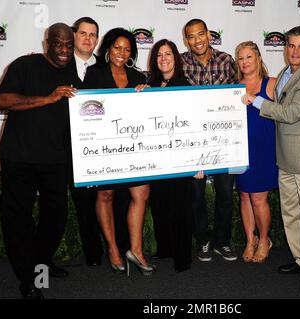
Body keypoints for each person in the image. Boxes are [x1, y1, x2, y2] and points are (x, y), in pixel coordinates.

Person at [242, 25, 300, 292]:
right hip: (286, 157)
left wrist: (255, 101)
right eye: (290, 45)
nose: (294, 51)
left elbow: (290, 113)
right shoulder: (286, 72)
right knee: (291, 213)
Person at [0, 23, 77, 299]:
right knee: (18, 218)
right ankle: (28, 278)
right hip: (19, 157)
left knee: (56, 216)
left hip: (55, 159)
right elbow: (4, 99)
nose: (65, 50)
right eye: (59, 44)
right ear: (47, 43)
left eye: (69, 44)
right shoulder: (25, 64)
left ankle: (41, 261)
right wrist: (48, 98)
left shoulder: (71, 69)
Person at [83, 27, 154, 276]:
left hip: (133, 146)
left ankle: (135, 249)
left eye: (127, 49)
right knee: (106, 196)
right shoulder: (94, 74)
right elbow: (85, 113)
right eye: (117, 47)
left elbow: (148, 113)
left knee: (141, 192)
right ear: (108, 49)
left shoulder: (138, 77)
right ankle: (113, 248)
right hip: (104, 146)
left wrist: (147, 94)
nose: (121, 53)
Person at [181, 18, 238, 262]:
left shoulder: (226, 60)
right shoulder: (181, 62)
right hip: (192, 140)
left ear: (208, 34)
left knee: (226, 193)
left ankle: (223, 241)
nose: (197, 40)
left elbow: (240, 92)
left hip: (223, 139)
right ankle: (203, 240)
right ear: (187, 40)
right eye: (191, 36)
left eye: (200, 34)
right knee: (196, 195)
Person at [142, 39, 193, 272]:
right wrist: (139, 95)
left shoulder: (185, 84)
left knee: (179, 208)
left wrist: (198, 160)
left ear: (176, 58)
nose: (163, 58)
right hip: (156, 157)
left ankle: (183, 257)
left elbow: (195, 124)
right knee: (160, 204)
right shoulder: (149, 84)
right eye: (159, 55)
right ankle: (166, 249)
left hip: (179, 157)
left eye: (168, 54)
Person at [234, 41, 278, 263]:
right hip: (241, 150)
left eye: (249, 57)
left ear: (258, 58)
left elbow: (288, 111)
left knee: (259, 197)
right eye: (240, 58)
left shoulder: (272, 84)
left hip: (264, 149)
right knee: (244, 195)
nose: (244, 62)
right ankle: (249, 239)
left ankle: (264, 240)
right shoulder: (234, 87)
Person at [67, 16, 103, 267]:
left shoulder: (104, 66)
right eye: (83, 33)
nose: (88, 39)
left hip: (102, 146)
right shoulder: (59, 64)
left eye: (92, 35)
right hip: (67, 147)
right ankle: (93, 255)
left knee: (108, 198)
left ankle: (116, 247)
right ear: (73, 36)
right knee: (83, 203)